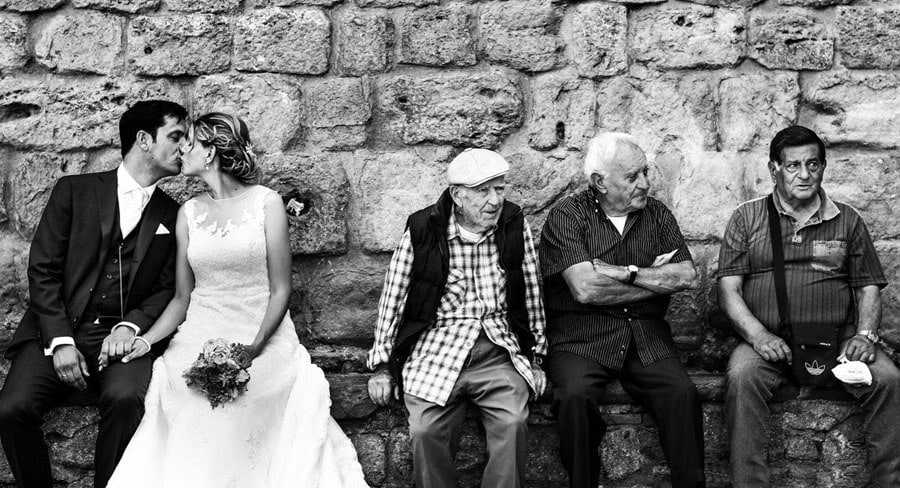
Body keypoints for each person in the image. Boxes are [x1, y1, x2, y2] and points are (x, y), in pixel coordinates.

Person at [104, 113, 368, 487]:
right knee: (188, 394)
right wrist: (145, 340)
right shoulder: (188, 213)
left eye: (190, 142)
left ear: (210, 152)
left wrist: (253, 348)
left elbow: (280, 290)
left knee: (247, 397)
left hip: (261, 329)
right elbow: (183, 297)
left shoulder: (267, 203)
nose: (182, 148)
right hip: (201, 330)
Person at [0, 100, 187, 488]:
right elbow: (43, 269)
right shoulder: (74, 191)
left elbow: (168, 288)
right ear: (144, 140)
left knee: (125, 400)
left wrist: (130, 327)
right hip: (54, 330)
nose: (184, 147)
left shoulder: (174, 214)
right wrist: (60, 340)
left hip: (121, 338)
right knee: (11, 408)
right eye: (175, 136)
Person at [718, 125, 900, 488]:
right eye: (793, 166)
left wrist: (865, 335)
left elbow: (867, 288)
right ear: (774, 170)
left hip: (838, 341)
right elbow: (728, 289)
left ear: (823, 167)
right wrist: (757, 336)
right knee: (741, 378)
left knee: (888, 380)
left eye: (813, 165)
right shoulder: (747, 218)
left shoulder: (847, 220)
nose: (804, 174)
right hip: (769, 342)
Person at [366, 148, 547, 488]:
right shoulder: (424, 229)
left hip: (495, 348)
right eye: (483, 191)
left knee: (512, 423)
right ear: (457, 195)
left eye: (500, 189)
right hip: (437, 348)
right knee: (424, 430)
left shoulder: (512, 224)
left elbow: (531, 289)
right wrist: (380, 365)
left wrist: (536, 358)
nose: (494, 201)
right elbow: (393, 295)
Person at [540, 132, 706, 488]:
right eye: (632, 177)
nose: (645, 183)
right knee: (574, 398)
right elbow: (585, 289)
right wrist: (651, 281)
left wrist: (627, 272)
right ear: (600, 182)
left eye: (645, 172)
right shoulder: (568, 216)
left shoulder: (658, 215)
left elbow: (686, 275)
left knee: (682, 394)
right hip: (580, 335)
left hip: (646, 335)